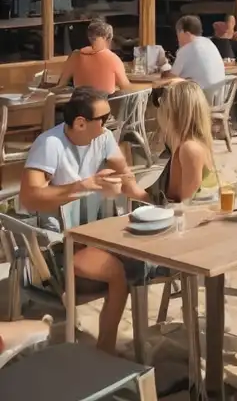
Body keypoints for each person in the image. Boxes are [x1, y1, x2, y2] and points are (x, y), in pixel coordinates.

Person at [20, 87, 150, 353]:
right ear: (80, 122)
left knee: (145, 256)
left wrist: (151, 198)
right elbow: (30, 197)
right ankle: (105, 353)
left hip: (95, 234)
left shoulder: (102, 139)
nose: (108, 124)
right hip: (57, 244)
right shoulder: (50, 145)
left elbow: (125, 176)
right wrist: (81, 186)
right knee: (118, 272)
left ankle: (124, 348)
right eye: (103, 119)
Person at [150, 80, 218, 205]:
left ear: (173, 113)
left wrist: (135, 192)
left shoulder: (190, 149)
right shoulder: (191, 143)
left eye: (164, 104)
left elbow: (185, 207)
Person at [56, 20, 131, 94]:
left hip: (80, 103)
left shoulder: (75, 56)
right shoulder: (113, 58)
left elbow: (61, 85)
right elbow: (125, 88)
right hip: (104, 104)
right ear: (107, 39)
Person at [170, 15, 226, 89]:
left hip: (199, 97)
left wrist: (163, 72)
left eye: (178, 35)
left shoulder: (187, 48)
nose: (178, 39)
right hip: (218, 96)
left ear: (185, 33)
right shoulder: (209, 42)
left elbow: (172, 76)